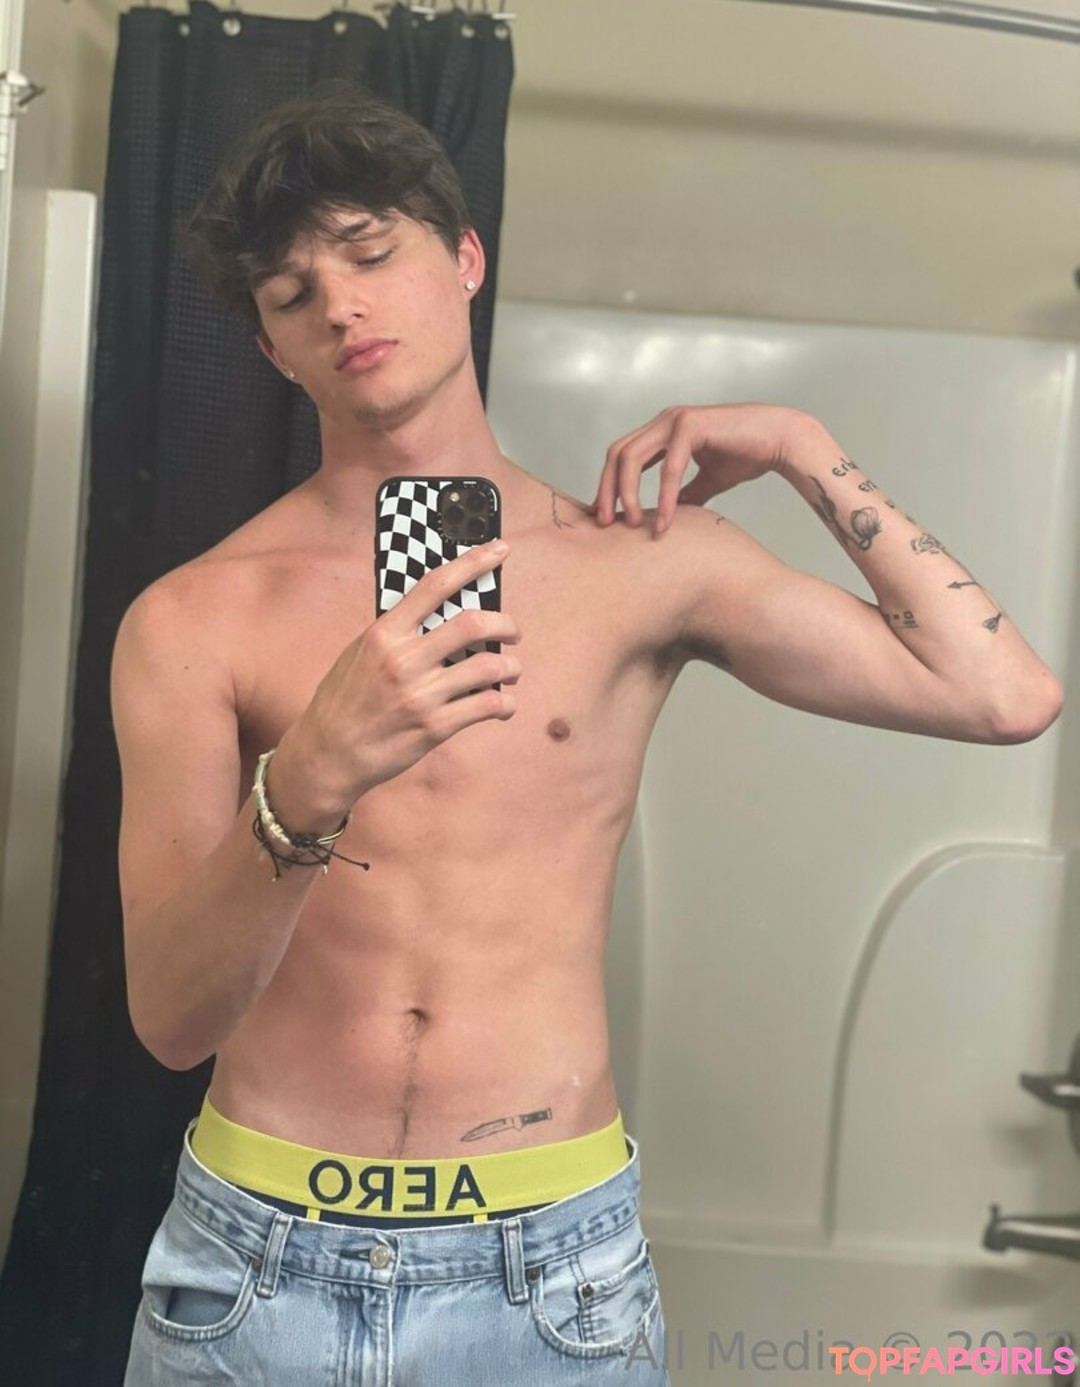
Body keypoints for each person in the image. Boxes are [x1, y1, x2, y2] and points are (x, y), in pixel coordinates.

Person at [113, 84, 1063, 1386]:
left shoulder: (640, 567)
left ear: (465, 259)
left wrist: (802, 445)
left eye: (372, 253)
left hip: (547, 1268)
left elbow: (1004, 693)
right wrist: (310, 780)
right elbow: (170, 1020)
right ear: (275, 350)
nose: (339, 305)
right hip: (257, 1262)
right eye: (291, 293)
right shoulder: (195, 618)